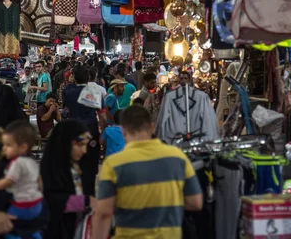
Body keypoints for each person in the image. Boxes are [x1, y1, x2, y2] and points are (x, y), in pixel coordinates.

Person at [92, 106, 203, 239]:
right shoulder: (178, 157)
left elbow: (104, 213)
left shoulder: (114, 163)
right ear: (151, 127)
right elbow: (195, 202)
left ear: (123, 131)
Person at [0, 121, 43, 239]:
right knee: (32, 230)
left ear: (23, 147)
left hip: (22, 205)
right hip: (36, 204)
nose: (4, 149)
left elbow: (9, 181)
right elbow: (39, 182)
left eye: (8, 145)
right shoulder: (30, 161)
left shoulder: (17, 163)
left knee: (6, 223)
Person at [41, 120, 96, 239]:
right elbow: (51, 201)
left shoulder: (83, 167)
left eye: (85, 145)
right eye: (80, 145)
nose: (84, 150)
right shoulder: (51, 170)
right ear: (65, 143)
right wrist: (85, 202)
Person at [62, 66, 105, 196]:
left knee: (74, 166)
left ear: (74, 77)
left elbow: (66, 108)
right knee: (90, 168)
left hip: (73, 132)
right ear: (89, 78)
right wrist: (102, 133)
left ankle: (76, 199)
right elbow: (102, 116)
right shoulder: (95, 93)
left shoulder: (68, 91)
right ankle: (89, 198)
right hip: (90, 132)